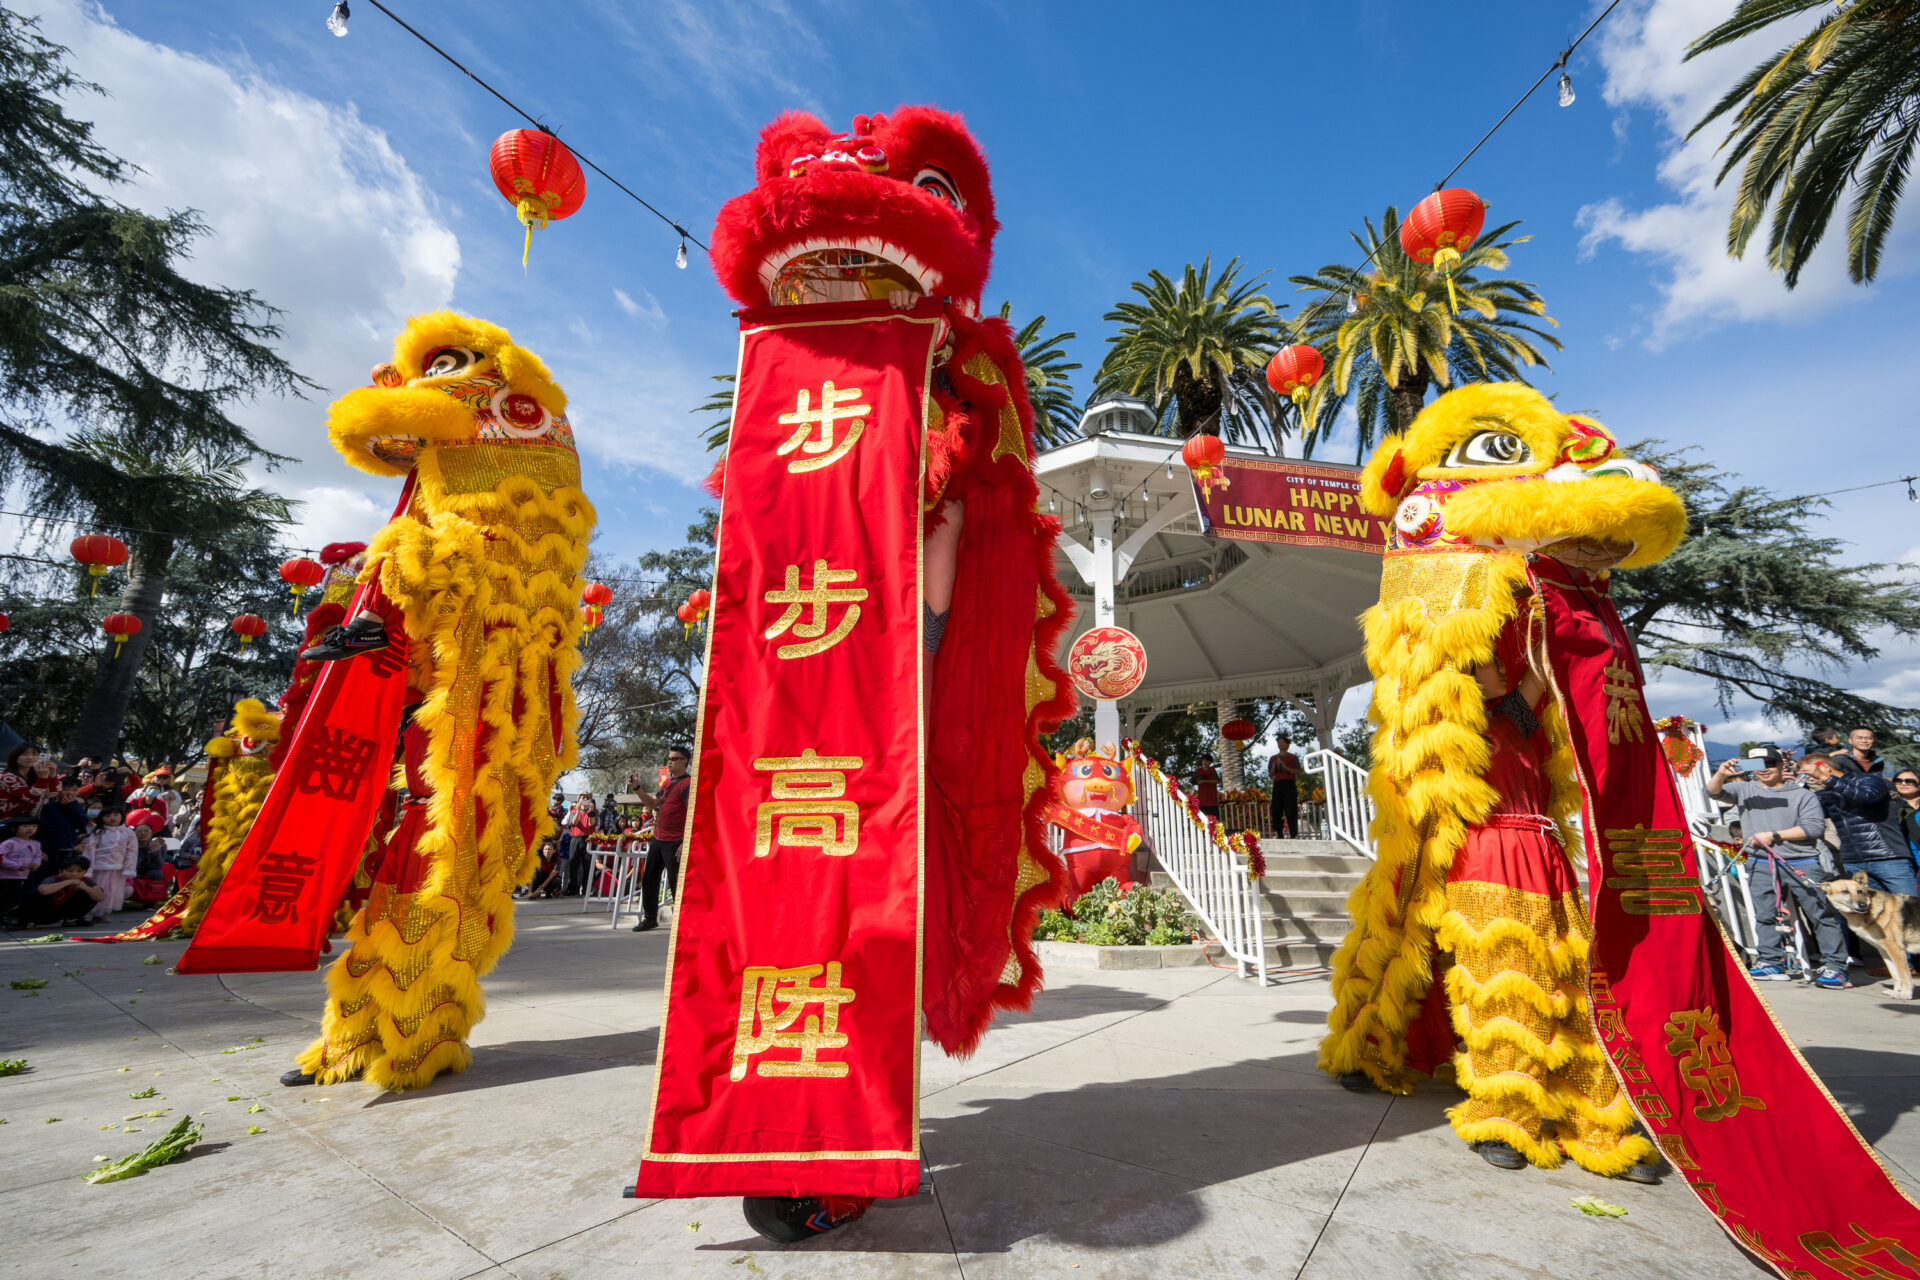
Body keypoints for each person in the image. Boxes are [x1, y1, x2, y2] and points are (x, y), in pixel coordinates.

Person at [1707, 751, 1851, 988]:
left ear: (1781, 765)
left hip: (1802, 862)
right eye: (1757, 764)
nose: (1764, 768)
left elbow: (1814, 828)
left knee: (1820, 914)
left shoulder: (1802, 794)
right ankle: (1770, 961)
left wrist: (1774, 835)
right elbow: (1712, 792)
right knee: (1765, 914)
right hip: (1760, 861)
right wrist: (1721, 773)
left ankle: (1835, 966)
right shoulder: (1744, 788)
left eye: (1770, 763)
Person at [1798, 754, 1915, 897]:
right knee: (1872, 910)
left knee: (1910, 906)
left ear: (1824, 767)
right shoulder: (1826, 793)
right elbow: (1806, 815)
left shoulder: (1869, 780)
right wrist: (1790, 787)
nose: (1810, 779)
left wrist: (1826, 778)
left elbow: (1866, 797)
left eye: (1809, 773)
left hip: (1888, 858)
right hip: (1853, 862)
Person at [630, 745, 690, 933]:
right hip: (658, 838)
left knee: (676, 883)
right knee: (649, 878)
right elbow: (652, 803)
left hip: (676, 841)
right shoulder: (667, 782)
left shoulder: (688, 784)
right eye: (669, 758)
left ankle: (683, 923)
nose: (670, 762)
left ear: (685, 762)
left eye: (674, 758)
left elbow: (693, 814)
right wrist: (637, 788)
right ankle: (650, 918)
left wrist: (685, 842)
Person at [79, 807, 138, 920]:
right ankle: (90, 912)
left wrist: (129, 868)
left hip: (118, 868)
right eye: (107, 816)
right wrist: (88, 869)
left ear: (122, 816)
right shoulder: (98, 832)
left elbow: (132, 851)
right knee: (98, 888)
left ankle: (102, 913)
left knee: (112, 891)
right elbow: (89, 851)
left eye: (115, 815)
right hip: (98, 867)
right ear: (101, 818)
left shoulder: (128, 833)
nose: (112, 818)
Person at [20, 857, 103, 927]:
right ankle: (29, 920)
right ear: (60, 871)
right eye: (70, 871)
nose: (74, 874)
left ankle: (71, 919)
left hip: (63, 912)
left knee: (94, 891)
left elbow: (100, 897)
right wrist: (69, 882)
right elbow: (43, 891)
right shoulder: (53, 879)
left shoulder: (85, 881)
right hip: (45, 912)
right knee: (38, 892)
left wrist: (86, 888)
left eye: (79, 871)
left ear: (84, 872)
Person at [34, 775, 89, 870]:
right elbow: (42, 828)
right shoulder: (49, 807)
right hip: (49, 849)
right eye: (65, 789)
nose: (70, 793)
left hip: (68, 848)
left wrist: (71, 806)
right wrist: (40, 848)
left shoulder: (78, 807)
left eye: (74, 790)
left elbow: (82, 823)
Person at [0, 816, 45, 923]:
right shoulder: (10, 843)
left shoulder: (35, 844)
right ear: (14, 828)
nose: (30, 829)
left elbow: (37, 856)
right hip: (5, 876)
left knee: (16, 898)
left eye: (34, 826)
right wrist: (16, 865)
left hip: (23, 876)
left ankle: (10, 917)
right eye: (25, 826)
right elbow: (1, 857)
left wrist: (36, 864)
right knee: (4, 898)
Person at [0, 743, 52, 821]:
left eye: (34, 754)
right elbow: (28, 799)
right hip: (8, 823)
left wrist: (52, 775)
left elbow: (53, 793)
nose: (30, 757)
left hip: (31, 823)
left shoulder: (35, 776)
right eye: (25, 754)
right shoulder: (5, 777)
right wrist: (42, 778)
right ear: (15, 756)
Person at [563, 793, 598, 895]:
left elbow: (591, 823)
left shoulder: (593, 812)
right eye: (583, 798)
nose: (585, 799)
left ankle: (586, 889)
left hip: (588, 839)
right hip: (576, 838)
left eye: (588, 798)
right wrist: (578, 810)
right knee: (574, 864)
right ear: (579, 800)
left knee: (587, 865)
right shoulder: (573, 811)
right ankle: (573, 889)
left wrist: (591, 811)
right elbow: (574, 823)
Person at [1267, 736, 1301, 839]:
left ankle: (1294, 834)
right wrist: (1274, 767)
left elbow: (1298, 771)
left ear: (1288, 744)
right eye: (1279, 742)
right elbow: (1270, 774)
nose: (1280, 744)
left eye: (1282, 742)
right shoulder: (1273, 758)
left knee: (1291, 809)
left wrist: (1286, 767)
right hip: (1278, 784)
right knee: (1276, 809)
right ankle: (1279, 833)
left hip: (1289, 784)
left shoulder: (1293, 757)